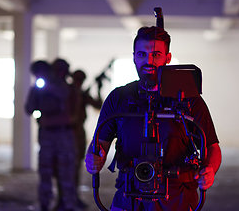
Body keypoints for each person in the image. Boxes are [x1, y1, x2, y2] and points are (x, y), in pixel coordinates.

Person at [85, 26, 222, 210]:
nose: (148, 61)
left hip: (176, 196)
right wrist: (94, 159)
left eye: (156, 55)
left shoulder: (188, 99)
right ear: (134, 56)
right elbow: (99, 144)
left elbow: (212, 146)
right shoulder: (119, 98)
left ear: (168, 58)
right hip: (130, 196)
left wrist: (210, 170)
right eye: (142, 54)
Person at [25, 59, 76, 211]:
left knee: (66, 172)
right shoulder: (37, 88)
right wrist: (37, 92)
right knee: (45, 171)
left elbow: (64, 95)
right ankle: (45, 203)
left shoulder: (60, 84)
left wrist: (47, 87)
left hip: (63, 133)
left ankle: (68, 204)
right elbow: (28, 108)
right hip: (47, 134)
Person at [71, 70, 103, 208]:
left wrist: (99, 89)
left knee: (76, 166)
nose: (79, 82)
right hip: (68, 132)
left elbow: (98, 105)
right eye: (77, 79)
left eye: (81, 80)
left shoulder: (83, 95)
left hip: (78, 133)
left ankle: (73, 197)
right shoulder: (68, 93)